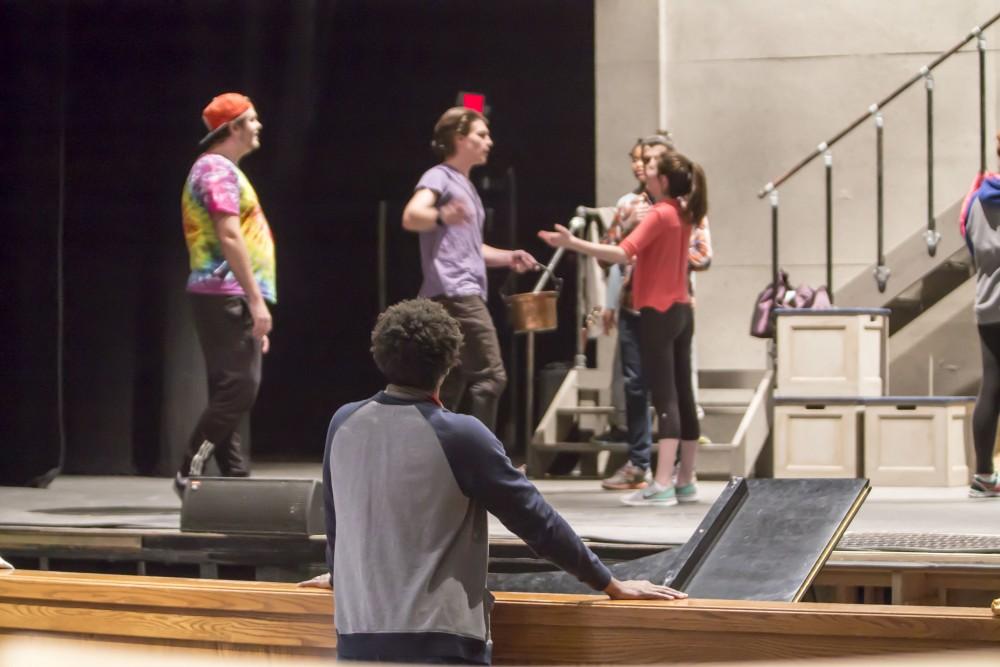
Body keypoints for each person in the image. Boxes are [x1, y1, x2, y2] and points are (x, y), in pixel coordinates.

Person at [308, 298, 684, 664]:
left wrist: (341, 575)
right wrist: (609, 583)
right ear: (450, 363)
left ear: (380, 354)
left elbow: (335, 518)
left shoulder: (343, 422)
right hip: (439, 643)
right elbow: (536, 520)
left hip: (355, 639)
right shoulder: (459, 434)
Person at [540, 151, 706, 507]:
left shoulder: (661, 213)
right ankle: (685, 479)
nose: (645, 174)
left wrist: (572, 243)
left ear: (663, 181)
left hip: (658, 312)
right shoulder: (684, 211)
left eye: (652, 171)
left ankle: (661, 484)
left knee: (665, 398)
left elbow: (621, 253)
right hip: (681, 309)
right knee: (683, 396)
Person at [402, 107, 537, 432]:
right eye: (481, 134)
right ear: (460, 139)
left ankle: (436, 458)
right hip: (456, 292)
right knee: (491, 377)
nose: (488, 141)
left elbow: (469, 248)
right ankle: (481, 460)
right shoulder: (439, 176)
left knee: (451, 383)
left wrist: (508, 257)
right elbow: (411, 216)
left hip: (453, 291)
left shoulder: (466, 186)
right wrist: (441, 215)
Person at [175, 92, 275, 496]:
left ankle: (235, 478)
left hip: (225, 293)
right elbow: (229, 233)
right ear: (232, 128)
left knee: (230, 388)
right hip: (224, 292)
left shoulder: (222, 169)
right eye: (251, 120)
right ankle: (189, 470)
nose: (258, 126)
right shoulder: (216, 170)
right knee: (240, 387)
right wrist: (254, 300)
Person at [960, 130, 1000, 498]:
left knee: (992, 386)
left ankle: (983, 475)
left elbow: (971, 244)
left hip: (989, 304)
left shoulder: (976, 200)